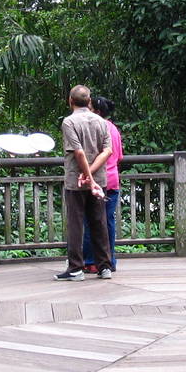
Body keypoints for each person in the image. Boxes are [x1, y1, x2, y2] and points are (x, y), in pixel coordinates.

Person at [57, 85, 113, 281]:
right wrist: (92, 175)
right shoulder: (101, 121)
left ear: (70, 100)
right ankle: (105, 266)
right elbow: (107, 151)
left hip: (76, 181)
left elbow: (78, 151)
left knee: (75, 224)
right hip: (99, 180)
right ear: (89, 101)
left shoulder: (69, 122)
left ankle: (75, 269)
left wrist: (85, 175)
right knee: (99, 221)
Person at [80, 96, 123, 273]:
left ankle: (91, 261)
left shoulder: (96, 128)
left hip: (98, 180)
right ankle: (110, 260)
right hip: (113, 180)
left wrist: (86, 173)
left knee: (92, 221)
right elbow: (119, 157)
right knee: (108, 222)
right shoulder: (114, 129)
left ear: (96, 112)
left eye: (89, 107)